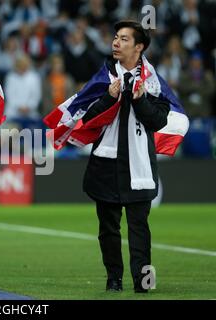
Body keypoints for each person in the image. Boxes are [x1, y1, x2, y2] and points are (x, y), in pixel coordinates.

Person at [81, 21, 170, 293]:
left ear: (139, 46)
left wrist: (141, 100)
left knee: (139, 228)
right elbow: (86, 119)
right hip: (106, 163)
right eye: (116, 37)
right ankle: (114, 280)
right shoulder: (103, 77)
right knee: (108, 228)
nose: (116, 43)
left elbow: (159, 121)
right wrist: (108, 99)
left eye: (123, 39)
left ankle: (143, 284)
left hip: (138, 164)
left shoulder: (153, 81)